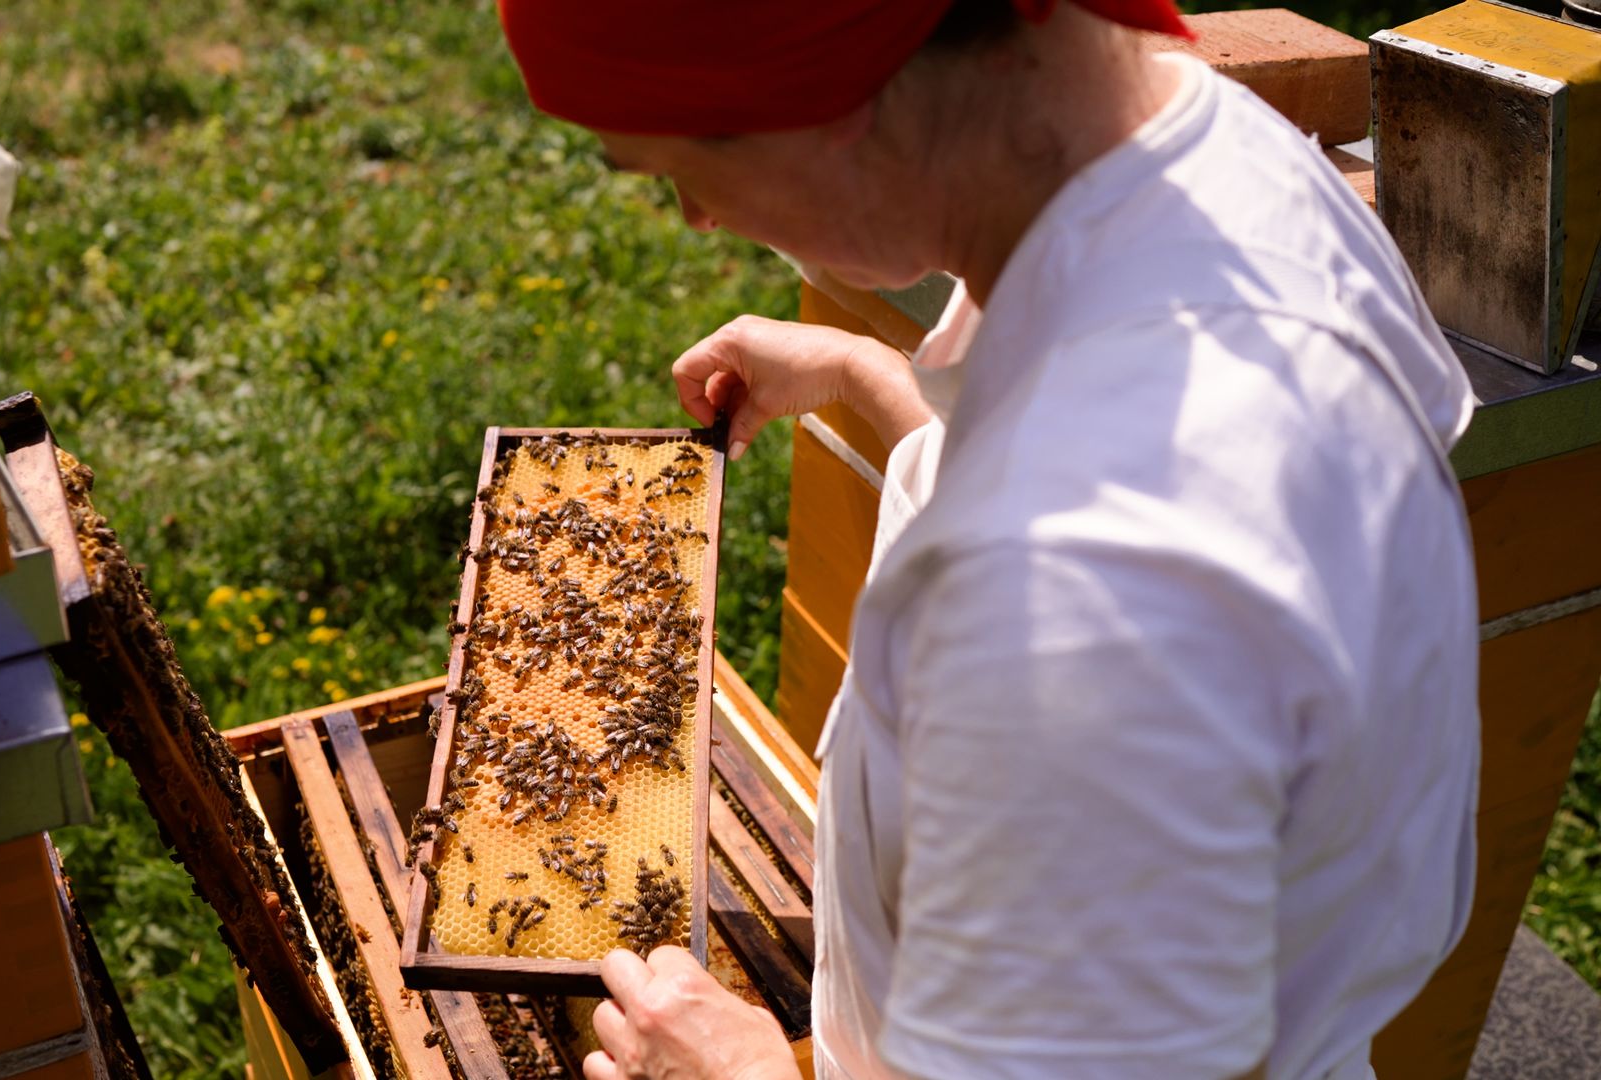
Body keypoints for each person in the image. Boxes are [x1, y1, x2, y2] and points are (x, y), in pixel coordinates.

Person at [494, 0, 1482, 1076]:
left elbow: (1081, 597)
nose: (696, 216)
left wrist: (743, 1073)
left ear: (809, 101)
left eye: (673, 168)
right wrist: (873, 379)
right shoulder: (1226, 162)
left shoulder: (1077, 592)